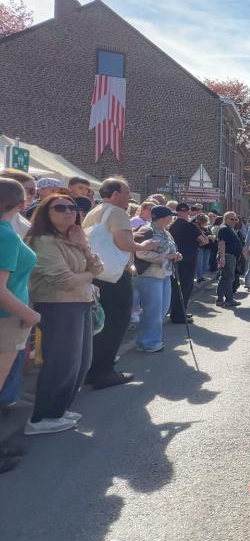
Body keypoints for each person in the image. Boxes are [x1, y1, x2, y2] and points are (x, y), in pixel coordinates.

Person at [24, 193, 103, 434]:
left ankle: (59, 409)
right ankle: (42, 416)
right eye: (60, 208)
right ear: (46, 213)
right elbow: (64, 281)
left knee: (81, 362)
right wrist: (89, 276)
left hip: (80, 302)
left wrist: (83, 246)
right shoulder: (43, 241)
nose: (69, 211)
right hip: (57, 305)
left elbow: (98, 266)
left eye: (73, 207)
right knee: (62, 362)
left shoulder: (73, 237)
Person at [82, 178, 156, 389]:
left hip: (96, 273)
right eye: (126, 193)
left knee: (100, 323)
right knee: (116, 322)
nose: (129, 198)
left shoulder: (93, 211)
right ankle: (103, 371)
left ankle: (92, 367)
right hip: (114, 275)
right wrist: (143, 244)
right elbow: (123, 242)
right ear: (115, 194)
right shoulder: (116, 212)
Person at [134, 206, 180, 353]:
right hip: (150, 274)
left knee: (162, 309)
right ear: (163, 218)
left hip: (165, 274)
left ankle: (146, 338)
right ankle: (149, 342)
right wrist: (165, 257)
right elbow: (141, 253)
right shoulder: (147, 230)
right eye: (170, 216)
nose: (173, 217)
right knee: (153, 310)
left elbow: (171, 250)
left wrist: (176, 256)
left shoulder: (166, 232)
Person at [168, 203, 206, 324]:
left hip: (175, 259)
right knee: (185, 288)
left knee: (176, 288)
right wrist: (196, 243)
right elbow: (204, 240)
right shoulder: (191, 226)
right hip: (188, 260)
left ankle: (177, 313)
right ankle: (179, 315)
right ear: (189, 212)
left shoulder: (172, 226)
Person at [216, 212, 243, 307]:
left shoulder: (228, 228)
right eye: (232, 219)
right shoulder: (224, 229)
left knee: (227, 277)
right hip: (227, 256)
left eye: (236, 219)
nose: (234, 221)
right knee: (227, 277)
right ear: (226, 219)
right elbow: (221, 244)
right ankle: (226, 299)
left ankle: (225, 299)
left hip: (230, 256)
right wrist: (222, 257)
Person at [0, 169, 34, 238]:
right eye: (31, 190)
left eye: (34, 191)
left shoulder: (15, 217)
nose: (33, 195)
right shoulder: (7, 219)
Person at [194, 214, 212, 283]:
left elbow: (208, 234)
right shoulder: (196, 227)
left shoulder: (206, 228)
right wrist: (209, 237)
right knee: (200, 262)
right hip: (200, 247)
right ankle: (199, 277)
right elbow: (198, 236)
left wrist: (211, 236)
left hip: (207, 247)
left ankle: (202, 276)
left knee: (205, 262)